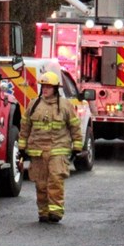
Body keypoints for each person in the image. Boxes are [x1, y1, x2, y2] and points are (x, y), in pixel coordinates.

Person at [17, 71, 83, 224]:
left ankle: (56, 212)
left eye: (48, 87)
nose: (45, 89)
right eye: (43, 86)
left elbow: (75, 127)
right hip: (38, 151)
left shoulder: (65, 105)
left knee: (55, 180)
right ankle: (43, 212)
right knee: (40, 183)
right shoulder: (34, 105)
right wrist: (21, 148)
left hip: (58, 149)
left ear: (55, 89)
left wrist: (77, 147)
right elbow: (25, 126)